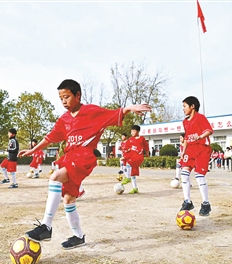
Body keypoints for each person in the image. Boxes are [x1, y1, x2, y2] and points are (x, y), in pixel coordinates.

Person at [18, 79, 151, 249]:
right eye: (61, 98)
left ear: (78, 95)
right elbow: (49, 137)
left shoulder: (91, 111)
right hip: (69, 157)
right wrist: (32, 150)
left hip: (84, 157)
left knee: (55, 177)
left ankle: (46, 226)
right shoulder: (64, 119)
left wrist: (129, 108)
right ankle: (78, 236)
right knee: (68, 199)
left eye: (66, 97)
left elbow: (114, 113)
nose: (64, 101)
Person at [179, 96, 213, 216]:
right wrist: (183, 152)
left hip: (202, 149)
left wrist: (200, 136)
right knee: (184, 173)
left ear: (192, 106)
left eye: (184, 106)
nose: (183, 109)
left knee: (199, 176)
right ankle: (187, 201)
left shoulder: (200, 117)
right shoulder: (185, 121)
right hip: (190, 150)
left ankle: (206, 204)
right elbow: (187, 138)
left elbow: (209, 130)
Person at [120, 125, 149, 194]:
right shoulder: (130, 139)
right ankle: (135, 188)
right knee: (132, 172)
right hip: (132, 155)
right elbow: (126, 147)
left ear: (138, 131)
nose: (132, 133)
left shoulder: (141, 138)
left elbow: (146, 146)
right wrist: (125, 151)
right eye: (131, 131)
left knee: (128, 163)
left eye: (134, 131)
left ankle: (128, 177)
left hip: (138, 156)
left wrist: (147, 153)